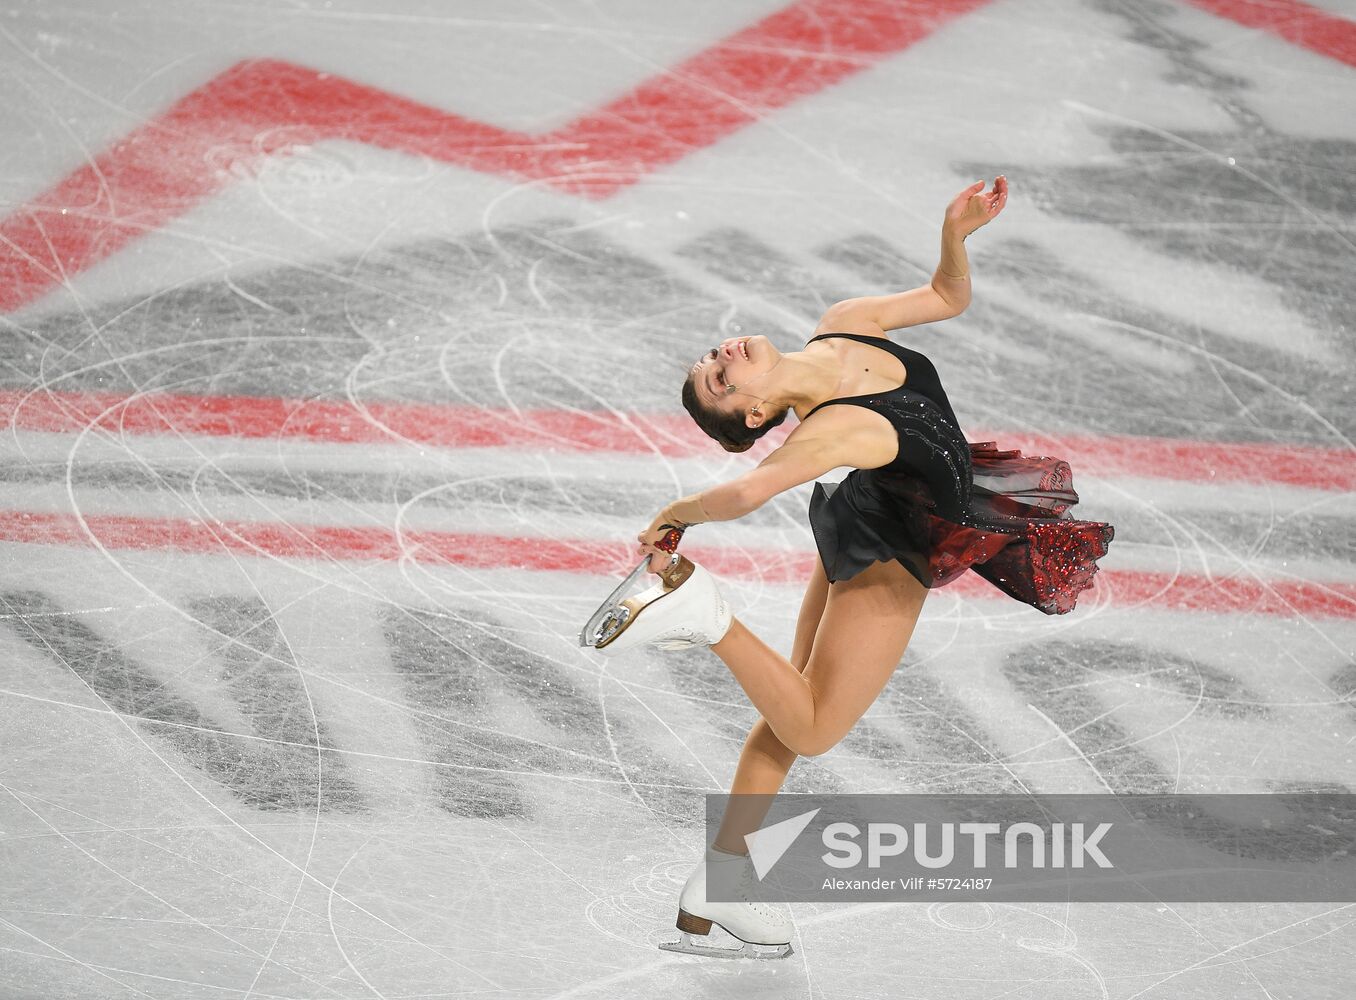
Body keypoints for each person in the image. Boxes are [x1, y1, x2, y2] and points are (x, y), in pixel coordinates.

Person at [612, 177, 1114, 957]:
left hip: (874, 511)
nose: (724, 353)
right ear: (753, 414)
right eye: (721, 376)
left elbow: (947, 296)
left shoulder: (843, 326)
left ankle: (724, 880)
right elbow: (748, 489)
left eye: (713, 354)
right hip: (893, 546)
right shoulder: (831, 433)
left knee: (788, 716)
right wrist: (676, 518)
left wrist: (956, 231)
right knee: (812, 727)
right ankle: (705, 617)